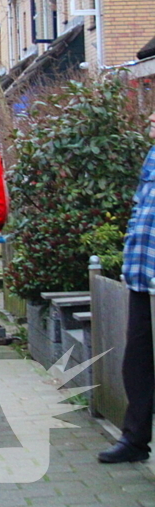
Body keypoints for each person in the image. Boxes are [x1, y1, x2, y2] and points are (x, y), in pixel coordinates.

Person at [98, 109, 155, 464]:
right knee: (137, 362)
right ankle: (134, 441)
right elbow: (140, 208)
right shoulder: (153, 154)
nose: (150, 115)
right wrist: (130, 262)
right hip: (143, 277)